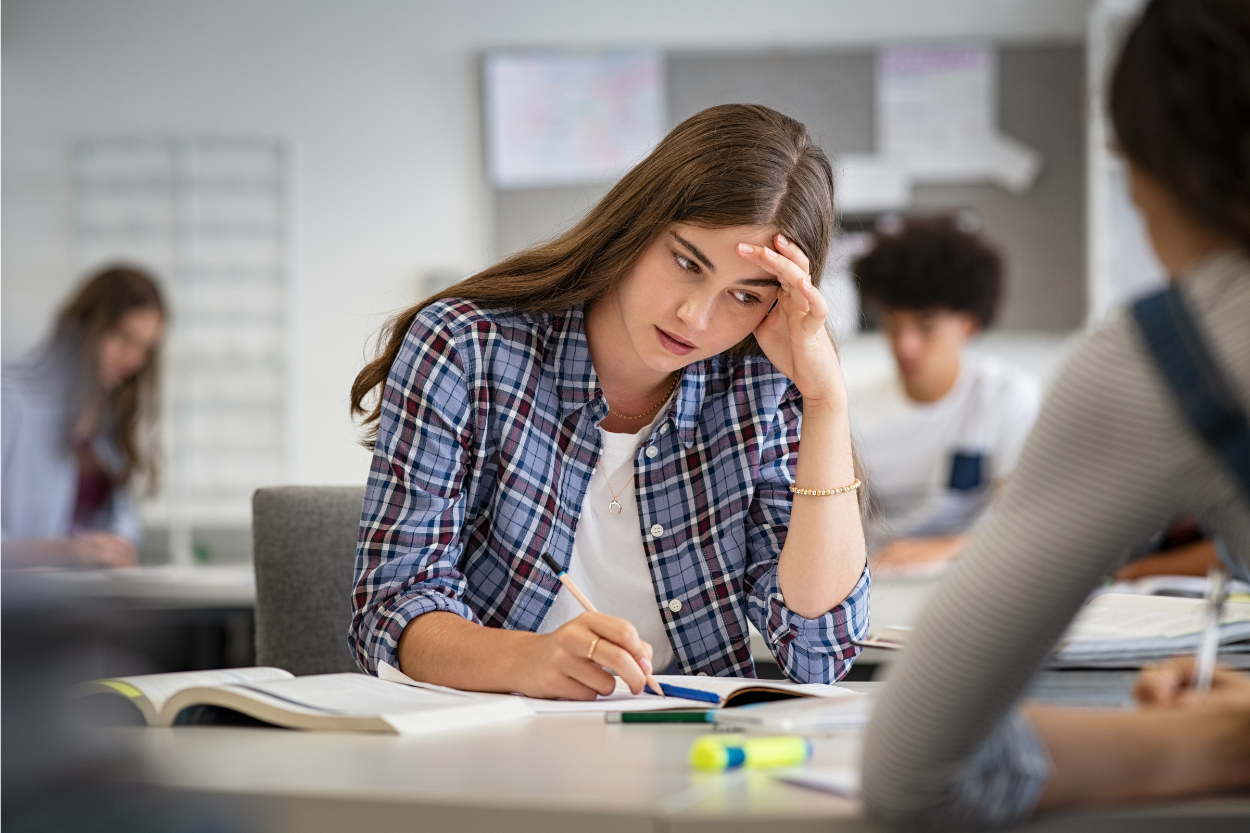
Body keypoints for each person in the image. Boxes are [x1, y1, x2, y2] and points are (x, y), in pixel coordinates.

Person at [862, 0, 1250, 825]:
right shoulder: (862, 411)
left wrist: (1225, 740)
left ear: (1143, 169)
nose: (904, 345)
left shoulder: (1171, 356)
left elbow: (918, 770)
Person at [348, 104, 870, 699]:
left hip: (684, 749)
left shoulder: (761, 384)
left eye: (745, 296)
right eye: (686, 262)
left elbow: (820, 649)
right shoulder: (467, 346)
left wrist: (826, 399)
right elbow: (390, 611)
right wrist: (528, 660)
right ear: (638, 223)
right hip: (490, 739)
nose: (695, 317)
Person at [850, 217, 1041, 571]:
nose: (906, 345)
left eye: (926, 326)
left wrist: (949, 548)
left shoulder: (1008, 398)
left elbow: (1029, 525)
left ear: (969, 323)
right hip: (878, 577)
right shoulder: (852, 408)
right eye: (893, 324)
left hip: (969, 574)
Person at [2, 265, 166, 569]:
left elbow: (124, 533)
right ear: (85, 325)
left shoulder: (108, 425)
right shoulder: (10, 404)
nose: (133, 359)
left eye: (145, 349)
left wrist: (120, 553)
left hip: (85, 605)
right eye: (123, 338)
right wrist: (64, 553)